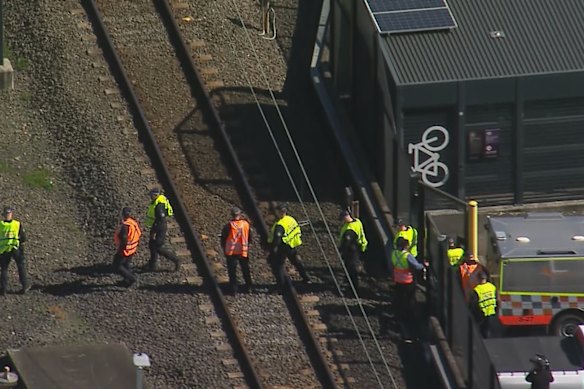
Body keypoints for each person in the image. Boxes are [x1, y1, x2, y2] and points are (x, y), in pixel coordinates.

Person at [267, 202, 310, 291]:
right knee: (295, 261)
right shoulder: (291, 219)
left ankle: (280, 286)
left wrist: (272, 249)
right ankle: (306, 277)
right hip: (291, 245)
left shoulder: (280, 225)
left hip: (283, 247)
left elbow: (277, 240)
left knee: (278, 265)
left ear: (279, 212)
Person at [391, 237, 427, 328]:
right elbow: (416, 266)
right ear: (405, 246)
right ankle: (409, 316)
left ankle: (399, 314)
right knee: (409, 299)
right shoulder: (407, 255)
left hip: (398, 279)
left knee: (400, 297)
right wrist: (424, 265)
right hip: (407, 280)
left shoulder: (394, 253)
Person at [145, 188, 180, 272]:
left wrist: (154, 231)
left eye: (151, 195)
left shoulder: (159, 205)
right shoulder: (160, 200)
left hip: (159, 227)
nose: (150, 197)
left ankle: (175, 260)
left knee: (158, 246)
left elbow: (160, 218)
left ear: (155, 195)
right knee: (152, 245)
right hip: (158, 225)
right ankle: (152, 264)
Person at [221, 207, 253, 295]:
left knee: (232, 271)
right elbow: (249, 237)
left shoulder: (228, 226)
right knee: (245, 269)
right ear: (240, 214)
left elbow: (223, 239)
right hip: (243, 251)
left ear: (232, 215)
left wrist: (224, 248)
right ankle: (249, 287)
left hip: (231, 252)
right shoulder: (246, 224)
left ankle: (233, 289)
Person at [0, 206, 31, 295]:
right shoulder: (17, 224)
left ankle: (3, 289)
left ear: (3, 215)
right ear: (11, 214)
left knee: (4, 269)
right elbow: (23, 238)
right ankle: (25, 285)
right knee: (21, 266)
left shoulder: (0, 225)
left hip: (4, 249)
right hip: (15, 248)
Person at [338, 209, 367, 291]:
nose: (342, 221)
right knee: (352, 267)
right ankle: (350, 283)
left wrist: (342, 250)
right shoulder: (357, 222)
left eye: (343, 219)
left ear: (346, 217)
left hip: (351, 250)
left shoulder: (349, 229)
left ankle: (354, 287)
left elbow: (347, 242)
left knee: (351, 268)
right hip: (358, 247)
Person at [113, 207, 142, 288]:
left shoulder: (125, 226)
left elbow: (124, 239)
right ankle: (127, 281)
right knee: (126, 264)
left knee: (117, 265)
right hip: (133, 248)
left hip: (125, 250)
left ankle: (131, 278)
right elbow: (139, 233)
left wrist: (121, 249)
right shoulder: (133, 223)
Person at [469, 272, 498, 338]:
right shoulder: (492, 287)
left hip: (481, 311)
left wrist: (470, 310)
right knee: (488, 326)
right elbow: (496, 297)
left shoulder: (477, 289)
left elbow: (474, 302)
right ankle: (488, 335)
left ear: (479, 279)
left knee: (481, 327)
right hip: (491, 309)